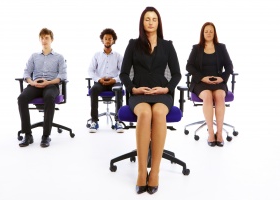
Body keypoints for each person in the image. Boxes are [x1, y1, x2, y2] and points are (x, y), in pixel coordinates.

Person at [119, 7, 181, 194]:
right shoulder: (133, 44)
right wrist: (133, 88)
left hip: (162, 93)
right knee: (145, 113)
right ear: (142, 22)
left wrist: (167, 88)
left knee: (158, 112)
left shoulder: (167, 46)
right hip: (139, 94)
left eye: (154, 19)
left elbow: (177, 74)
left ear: (158, 22)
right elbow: (123, 73)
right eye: (147, 19)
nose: (151, 22)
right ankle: (140, 172)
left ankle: (154, 172)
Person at [186, 22, 233, 147]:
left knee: (219, 96)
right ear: (202, 33)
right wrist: (202, 77)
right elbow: (189, 66)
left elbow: (229, 66)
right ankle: (211, 133)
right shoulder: (196, 48)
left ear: (214, 33)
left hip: (218, 81)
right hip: (201, 82)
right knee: (207, 96)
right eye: (206, 31)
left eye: (211, 31)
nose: (208, 33)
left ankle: (220, 133)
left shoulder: (221, 48)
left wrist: (221, 78)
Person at [17, 28, 67, 148]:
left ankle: (46, 136)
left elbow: (63, 76)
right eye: (42, 38)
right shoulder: (34, 56)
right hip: (36, 84)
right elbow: (26, 73)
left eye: (47, 38)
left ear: (51, 39)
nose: (44, 40)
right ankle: (28, 135)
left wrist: (48, 81)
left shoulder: (59, 57)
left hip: (51, 85)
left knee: (49, 97)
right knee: (22, 98)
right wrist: (32, 82)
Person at [88, 28, 124, 133]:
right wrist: (99, 79)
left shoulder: (118, 56)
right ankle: (94, 121)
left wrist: (114, 80)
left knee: (118, 89)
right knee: (93, 90)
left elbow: (123, 73)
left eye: (110, 39)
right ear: (102, 40)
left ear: (113, 41)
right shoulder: (96, 55)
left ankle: (118, 121)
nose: (108, 41)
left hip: (114, 82)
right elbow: (90, 71)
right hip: (101, 82)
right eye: (106, 39)